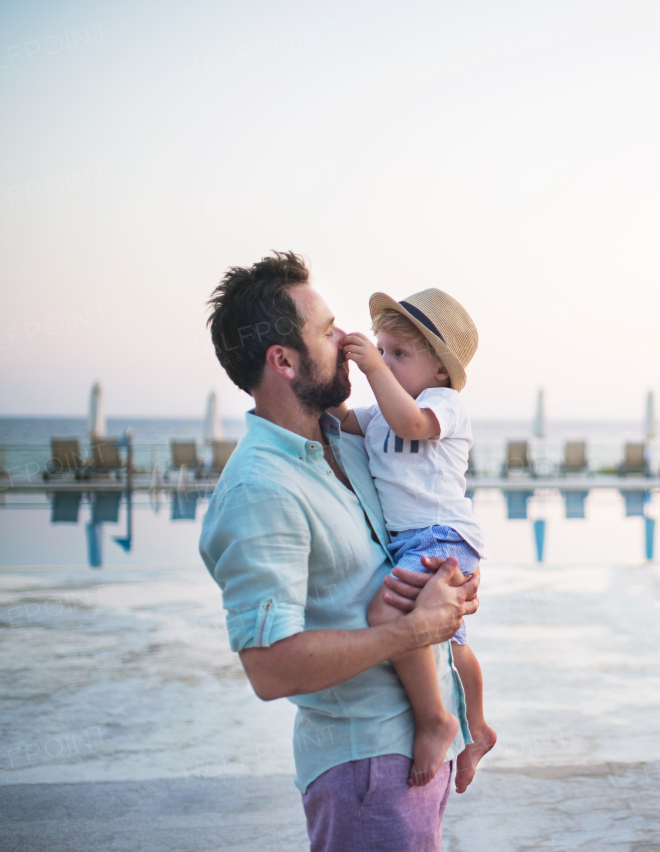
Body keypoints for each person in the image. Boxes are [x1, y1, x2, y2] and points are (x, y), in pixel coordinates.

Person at [199, 251, 479, 852]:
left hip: (418, 753)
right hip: (366, 772)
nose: (347, 338)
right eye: (327, 331)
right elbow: (270, 668)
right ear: (284, 360)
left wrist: (449, 588)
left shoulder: (348, 442)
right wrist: (413, 630)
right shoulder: (260, 491)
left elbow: (417, 521)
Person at [329, 288, 497, 793]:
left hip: (441, 533)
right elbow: (339, 420)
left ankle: (436, 720)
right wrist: (330, 363)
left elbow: (412, 424)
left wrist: (374, 372)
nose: (385, 363)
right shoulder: (381, 411)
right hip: (413, 542)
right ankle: (479, 729)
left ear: (441, 371)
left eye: (399, 355)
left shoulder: (442, 404)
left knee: (388, 617)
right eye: (381, 351)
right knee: (452, 644)